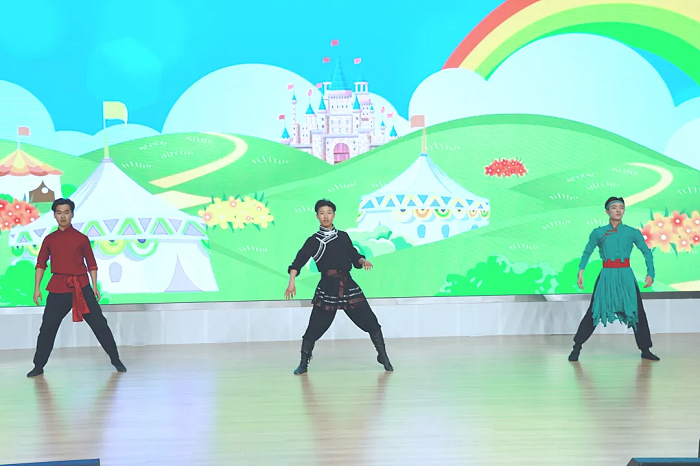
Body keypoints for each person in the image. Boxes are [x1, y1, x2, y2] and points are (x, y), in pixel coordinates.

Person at [285, 199, 393, 375]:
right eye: (322, 213)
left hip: (348, 285)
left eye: (329, 212)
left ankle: (383, 356)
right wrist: (291, 282)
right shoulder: (314, 241)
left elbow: (353, 255)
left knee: (371, 322)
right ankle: (303, 363)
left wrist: (362, 260)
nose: (325, 216)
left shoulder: (343, 236)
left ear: (334, 215)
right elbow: (298, 261)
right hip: (327, 288)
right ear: (317, 216)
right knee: (314, 328)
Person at [27, 198, 126, 377]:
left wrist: (94, 286)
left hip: (81, 288)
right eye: (59, 213)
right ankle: (38, 365)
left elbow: (92, 264)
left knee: (100, 324)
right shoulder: (49, 239)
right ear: (54, 215)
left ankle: (116, 360)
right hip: (58, 288)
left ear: (72, 214)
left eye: (66, 212)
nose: (63, 216)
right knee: (47, 328)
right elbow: (41, 264)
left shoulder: (81, 239)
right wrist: (37, 288)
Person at [569, 196, 659, 362]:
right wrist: (581, 270)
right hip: (607, 276)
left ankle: (645, 350)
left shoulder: (632, 232)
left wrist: (650, 273)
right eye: (614, 207)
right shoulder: (598, 232)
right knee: (594, 311)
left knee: (637, 312)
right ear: (607, 211)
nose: (618, 210)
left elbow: (647, 252)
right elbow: (587, 251)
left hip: (626, 276)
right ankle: (576, 347)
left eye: (621, 207)